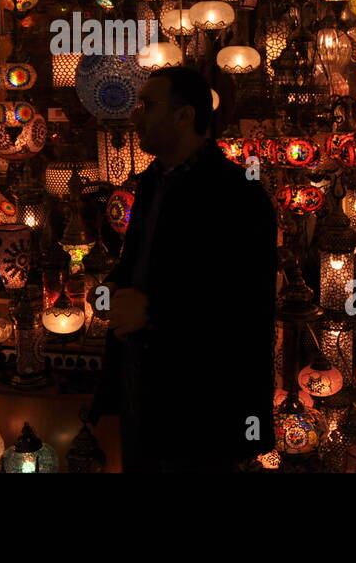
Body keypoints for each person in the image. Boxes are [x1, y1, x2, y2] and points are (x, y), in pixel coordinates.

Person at [88, 66, 278, 472]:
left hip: (203, 398)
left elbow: (246, 303)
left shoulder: (238, 194)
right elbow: (139, 263)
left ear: (185, 114)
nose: (136, 116)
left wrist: (154, 312)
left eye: (148, 105)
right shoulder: (153, 183)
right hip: (143, 386)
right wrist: (110, 289)